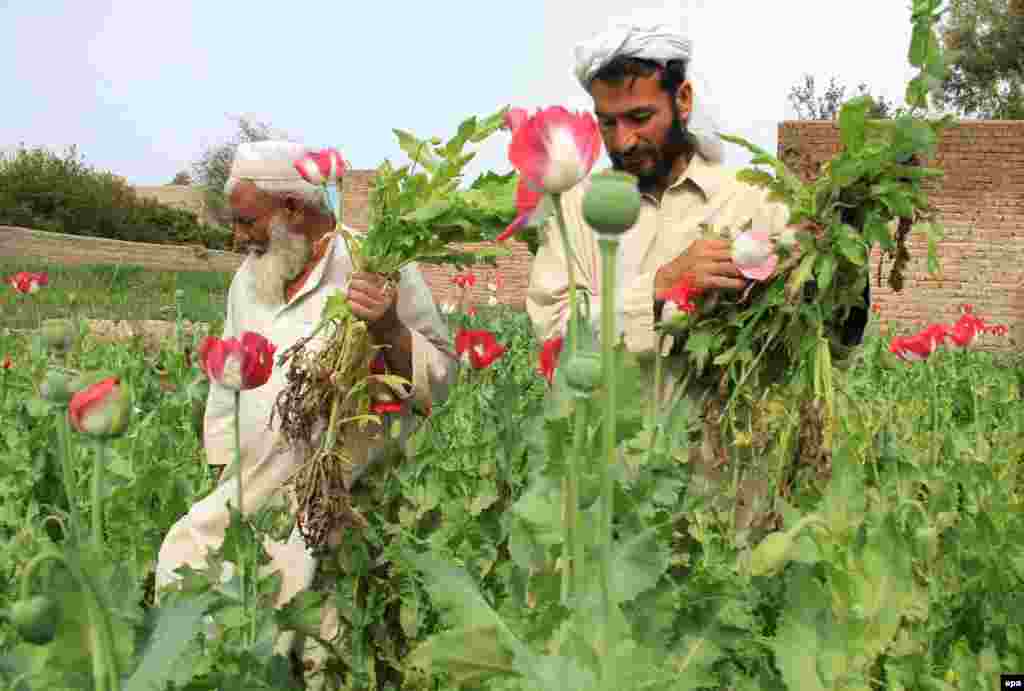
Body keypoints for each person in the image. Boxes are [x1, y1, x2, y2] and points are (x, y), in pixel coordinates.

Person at [526, 17, 868, 536]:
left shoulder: (758, 202)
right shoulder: (576, 212)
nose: (624, 140)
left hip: (730, 501)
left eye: (641, 116)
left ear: (682, 99)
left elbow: (828, 341)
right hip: (613, 502)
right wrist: (661, 289)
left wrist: (845, 269)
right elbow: (556, 335)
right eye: (607, 123)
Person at [155, 140, 457, 684]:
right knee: (185, 558)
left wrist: (388, 327)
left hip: (338, 486)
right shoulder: (248, 279)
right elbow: (228, 375)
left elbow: (440, 378)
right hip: (251, 481)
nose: (237, 235)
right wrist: (222, 462)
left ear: (293, 209)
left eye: (247, 220)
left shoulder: (376, 265)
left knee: (307, 630)